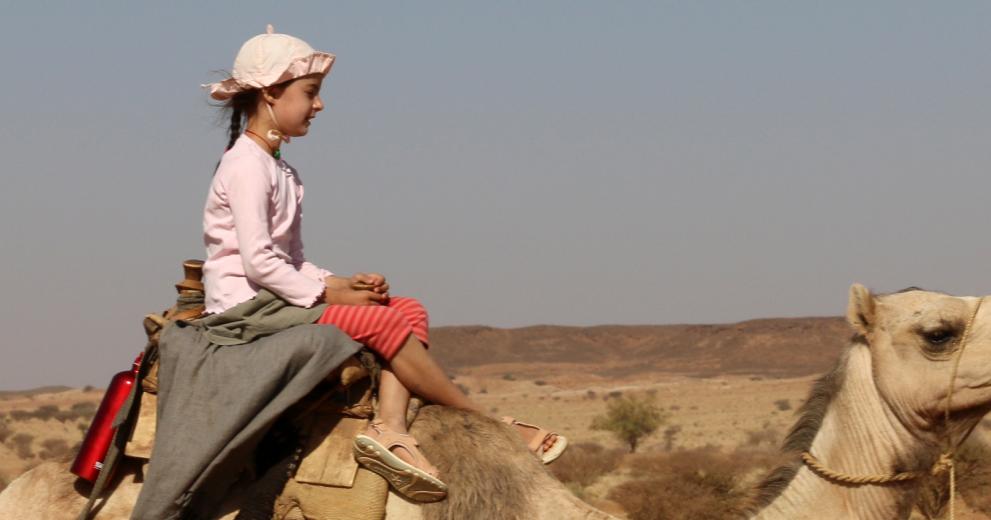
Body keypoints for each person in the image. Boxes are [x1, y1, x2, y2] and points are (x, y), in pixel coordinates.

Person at [201, 26, 567, 503]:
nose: (319, 105)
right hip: (249, 308)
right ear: (270, 93)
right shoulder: (247, 165)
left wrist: (344, 282)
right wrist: (331, 294)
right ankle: (487, 422)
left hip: (280, 297)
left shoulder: (279, 168)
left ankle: (390, 427)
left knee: (407, 308)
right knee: (380, 321)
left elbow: (292, 261)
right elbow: (259, 264)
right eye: (310, 92)